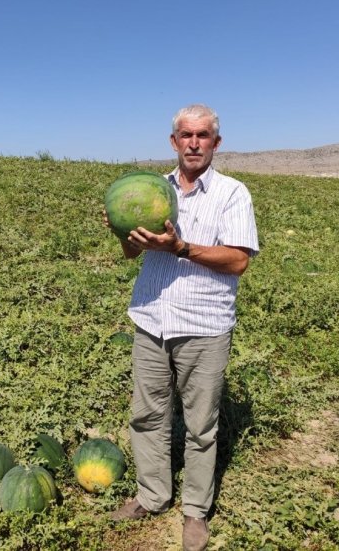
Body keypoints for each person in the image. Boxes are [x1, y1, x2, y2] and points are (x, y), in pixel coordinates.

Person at [107, 104, 259, 551]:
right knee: (147, 415)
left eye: (203, 135)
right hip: (152, 320)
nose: (194, 143)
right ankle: (152, 496)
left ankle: (195, 511)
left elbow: (238, 261)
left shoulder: (232, 194)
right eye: (186, 135)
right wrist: (124, 236)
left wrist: (181, 247)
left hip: (204, 326)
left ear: (216, 142)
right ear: (173, 142)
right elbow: (131, 254)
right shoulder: (149, 190)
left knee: (200, 425)